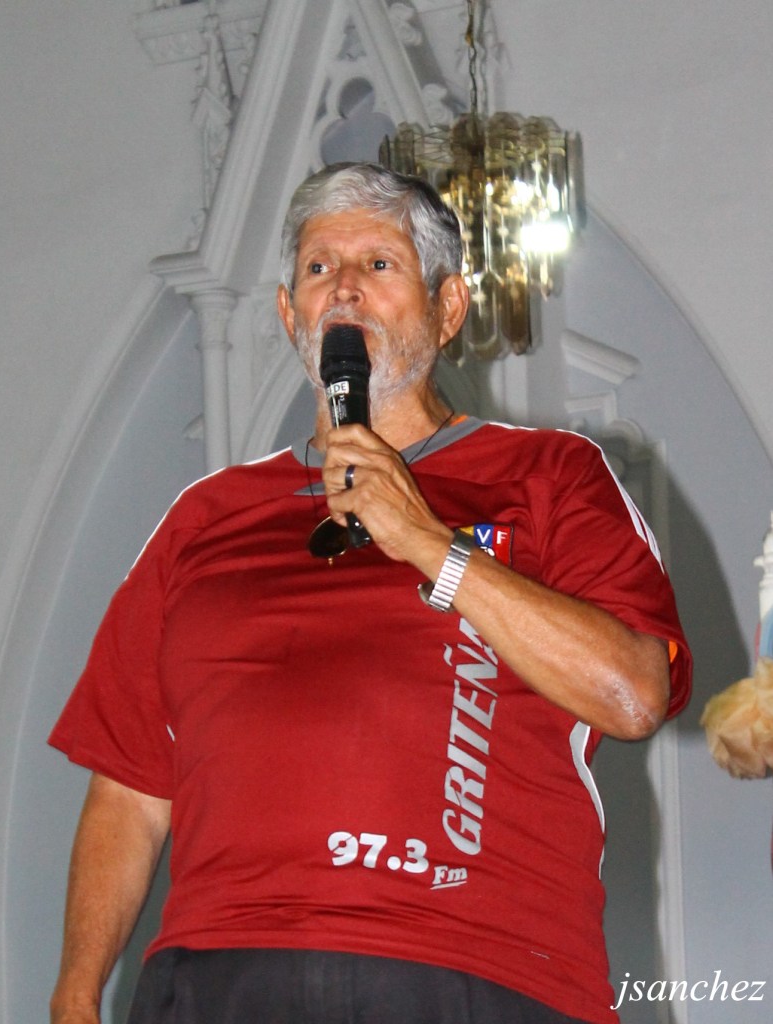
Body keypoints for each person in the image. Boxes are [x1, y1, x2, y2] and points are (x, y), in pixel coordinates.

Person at [49, 162, 692, 1024]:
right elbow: (129, 788)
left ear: (447, 308)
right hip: (220, 972)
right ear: (290, 316)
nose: (343, 287)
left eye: (379, 264)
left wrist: (426, 542)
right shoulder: (205, 518)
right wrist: (75, 995)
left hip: (475, 965)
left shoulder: (549, 476)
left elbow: (633, 694)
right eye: (319, 267)